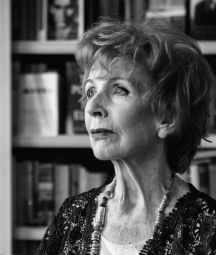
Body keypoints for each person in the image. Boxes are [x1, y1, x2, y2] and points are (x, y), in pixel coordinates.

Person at [36, 17, 216, 255]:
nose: (92, 107)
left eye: (119, 89)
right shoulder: (71, 216)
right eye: (90, 91)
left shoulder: (207, 226)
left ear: (167, 118)